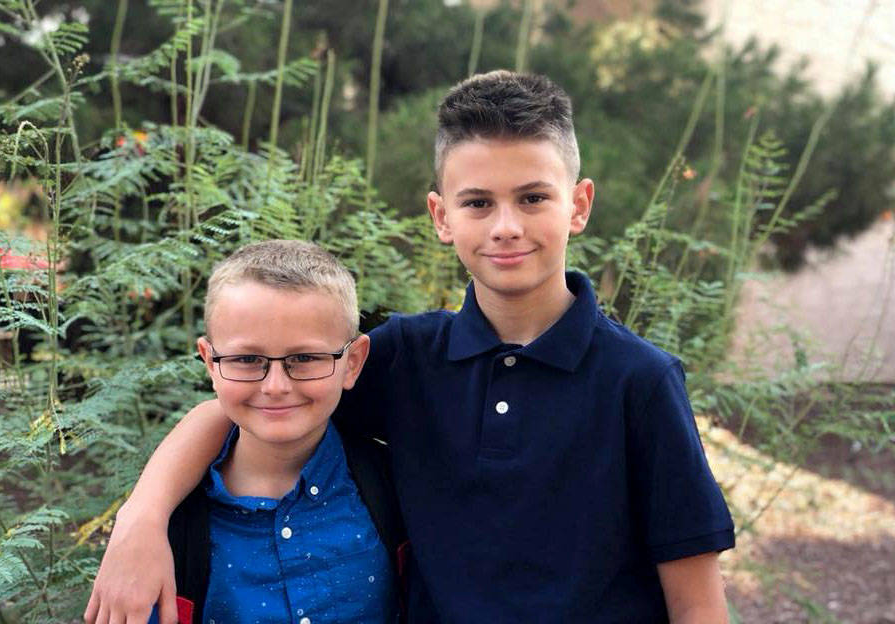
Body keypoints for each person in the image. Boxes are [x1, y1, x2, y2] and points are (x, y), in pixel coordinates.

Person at [85, 70, 734, 624]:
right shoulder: (405, 358)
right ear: (441, 216)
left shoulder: (640, 381)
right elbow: (248, 401)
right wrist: (143, 518)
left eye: (533, 197)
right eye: (478, 202)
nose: (506, 226)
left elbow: (698, 604)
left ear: (579, 204)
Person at [134, 240, 404, 624]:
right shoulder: (168, 527)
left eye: (305, 358)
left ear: (353, 362)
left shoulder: (395, 487)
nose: (275, 386)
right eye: (247, 359)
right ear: (210, 363)